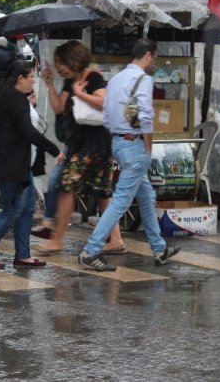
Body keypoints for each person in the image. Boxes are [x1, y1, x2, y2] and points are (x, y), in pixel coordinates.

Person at [78, 38, 180, 272]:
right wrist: (148, 146)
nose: (153, 61)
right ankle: (91, 250)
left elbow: (107, 114)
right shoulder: (142, 79)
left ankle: (159, 247)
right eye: (154, 57)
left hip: (118, 142)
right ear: (147, 55)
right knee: (121, 200)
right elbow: (145, 114)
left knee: (145, 197)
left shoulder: (115, 80)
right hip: (134, 145)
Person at [33, 40, 126, 256]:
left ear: (73, 59)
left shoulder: (92, 77)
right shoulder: (69, 81)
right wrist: (49, 84)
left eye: (62, 63)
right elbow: (58, 108)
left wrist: (80, 93)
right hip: (81, 144)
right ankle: (117, 240)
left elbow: (104, 102)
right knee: (102, 192)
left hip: (94, 144)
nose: (59, 68)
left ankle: (57, 240)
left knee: (66, 187)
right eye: (58, 64)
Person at [0, 61, 65, 269]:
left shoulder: (12, 98)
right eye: (31, 76)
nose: (34, 79)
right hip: (11, 166)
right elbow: (28, 131)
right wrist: (54, 150)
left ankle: (23, 255)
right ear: (20, 79)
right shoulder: (14, 99)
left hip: (19, 165)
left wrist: (29, 104)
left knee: (26, 209)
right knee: (11, 209)